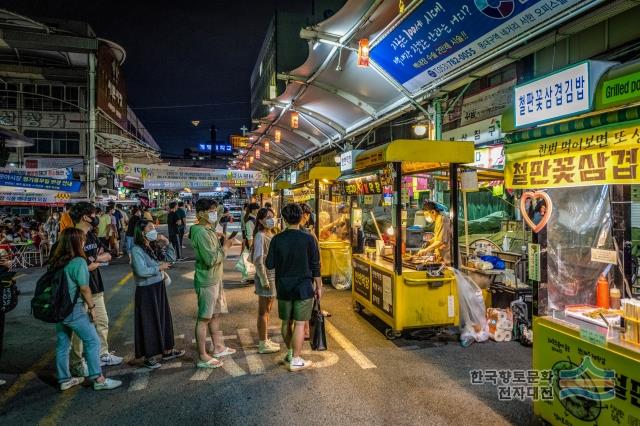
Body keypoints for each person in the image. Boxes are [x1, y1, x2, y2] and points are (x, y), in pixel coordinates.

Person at [51, 228, 122, 391]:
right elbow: (84, 288)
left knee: (63, 344)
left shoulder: (58, 261)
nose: (84, 242)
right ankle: (99, 379)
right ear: (77, 243)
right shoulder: (78, 262)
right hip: (73, 309)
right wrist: (92, 308)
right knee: (92, 341)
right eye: (82, 240)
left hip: (58, 309)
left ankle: (64, 379)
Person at [266, 203, 321, 372]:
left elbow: (269, 264)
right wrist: (319, 286)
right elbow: (316, 265)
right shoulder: (309, 238)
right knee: (299, 324)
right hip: (303, 287)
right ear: (301, 217)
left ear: (284, 219)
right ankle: (296, 359)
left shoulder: (277, 239)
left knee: (286, 322)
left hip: (283, 286)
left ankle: (291, 353)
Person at [69, 202, 123, 376]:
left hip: (96, 287)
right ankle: (77, 363)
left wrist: (94, 260)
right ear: (86, 216)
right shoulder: (71, 237)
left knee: (102, 322)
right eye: (93, 214)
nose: (96, 217)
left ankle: (102, 355)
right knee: (79, 330)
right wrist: (95, 261)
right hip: (77, 291)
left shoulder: (91, 236)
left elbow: (108, 254)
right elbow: (78, 267)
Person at [130, 220, 185, 369]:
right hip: (146, 290)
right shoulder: (136, 249)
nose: (154, 230)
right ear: (142, 232)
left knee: (163, 318)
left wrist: (167, 243)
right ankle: (149, 356)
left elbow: (170, 259)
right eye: (150, 228)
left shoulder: (152, 246)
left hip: (158, 286)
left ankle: (167, 350)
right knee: (149, 322)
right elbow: (141, 271)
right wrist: (158, 268)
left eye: (154, 227)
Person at [190, 198, 235, 369]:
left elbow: (222, 211)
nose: (215, 213)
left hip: (215, 278)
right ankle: (202, 355)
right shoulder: (201, 232)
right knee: (204, 318)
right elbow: (211, 259)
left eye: (215, 210)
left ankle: (217, 347)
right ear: (201, 213)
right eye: (211, 211)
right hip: (207, 280)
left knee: (215, 314)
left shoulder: (207, 229)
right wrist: (226, 247)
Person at [251, 208, 280, 354]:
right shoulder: (260, 236)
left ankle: (265, 339)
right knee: (263, 311)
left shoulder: (272, 233)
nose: (271, 219)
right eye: (268, 217)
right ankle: (262, 343)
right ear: (261, 220)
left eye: (272, 216)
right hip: (266, 277)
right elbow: (257, 259)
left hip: (273, 276)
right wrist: (263, 279)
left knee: (268, 310)